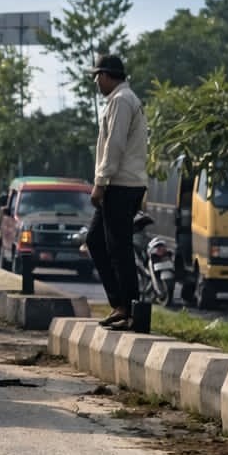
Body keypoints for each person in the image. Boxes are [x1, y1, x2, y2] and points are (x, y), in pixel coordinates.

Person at [87, 54, 150, 331]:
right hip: (122, 183)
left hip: (120, 184)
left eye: (97, 77)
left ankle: (130, 308)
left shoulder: (122, 100)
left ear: (104, 75)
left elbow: (115, 145)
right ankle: (120, 305)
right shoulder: (121, 99)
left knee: (118, 248)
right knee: (96, 241)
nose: (96, 83)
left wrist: (100, 182)